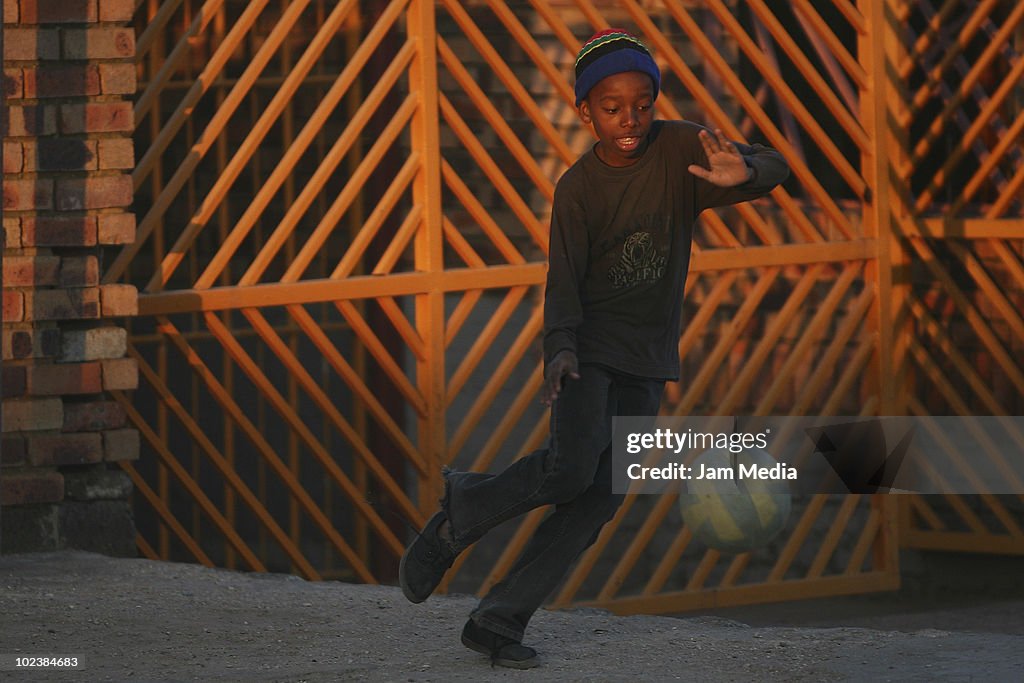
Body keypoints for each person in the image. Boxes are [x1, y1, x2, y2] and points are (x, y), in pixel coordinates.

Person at [399, 28, 790, 669]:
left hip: (648, 355)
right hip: (587, 348)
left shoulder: (681, 149)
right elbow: (563, 280)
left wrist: (748, 171)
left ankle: (497, 620)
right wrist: (558, 348)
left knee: (601, 496)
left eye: (643, 103)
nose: (630, 119)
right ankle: (465, 508)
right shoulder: (577, 189)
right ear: (585, 111)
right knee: (572, 469)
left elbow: (775, 165)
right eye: (612, 107)